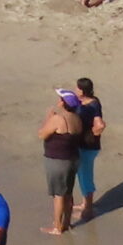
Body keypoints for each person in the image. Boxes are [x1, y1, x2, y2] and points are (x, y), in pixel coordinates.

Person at [39, 90, 83, 234]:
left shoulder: (58, 119)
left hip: (58, 160)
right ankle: (67, 222)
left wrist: (48, 118)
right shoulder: (77, 118)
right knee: (68, 192)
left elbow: (42, 134)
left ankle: (57, 227)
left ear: (63, 103)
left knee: (58, 195)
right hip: (73, 159)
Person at [72, 78, 107, 222]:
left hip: (87, 146)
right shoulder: (83, 102)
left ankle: (89, 208)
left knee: (85, 176)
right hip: (81, 145)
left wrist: (91, 134)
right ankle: (84, 203)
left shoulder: (93, 104)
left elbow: (100, 125)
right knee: (81, 174)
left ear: (81, 90)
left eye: (77, 88)